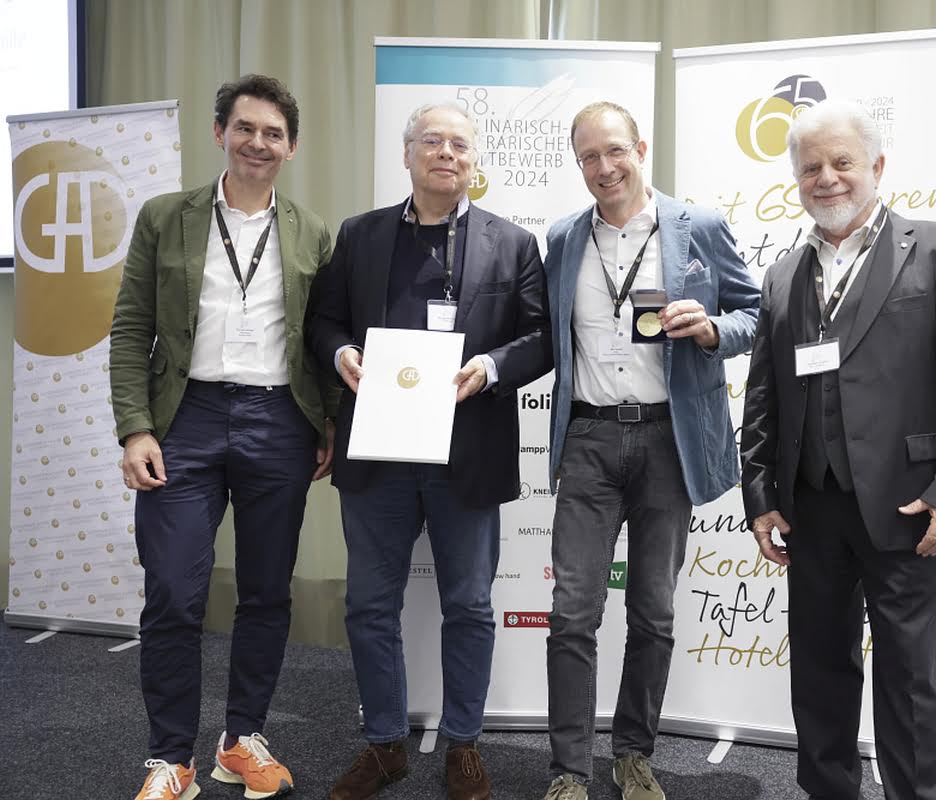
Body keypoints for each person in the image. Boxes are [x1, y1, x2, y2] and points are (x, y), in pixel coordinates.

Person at [740, 98, 936, 800]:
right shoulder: (782, 275)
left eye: (842, 162)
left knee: (907, 677)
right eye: (811, 168)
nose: (826, 178)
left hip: (909, 505)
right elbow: (763, 397)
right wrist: (760, 495)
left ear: (877, 166)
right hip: (811, 508)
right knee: (819, 671)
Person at [305, 102, 551, 800]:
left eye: (460, 144)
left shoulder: (514, 243)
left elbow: (542, 338)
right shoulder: (360, 235)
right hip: (378, 455)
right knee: (368, 605)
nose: (447, 153)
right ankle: (385, 743)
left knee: (469, 606)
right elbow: (322, 321)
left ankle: (463, 745)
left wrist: (492, 368)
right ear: (408, 153)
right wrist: (342, 353)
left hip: (467, 454)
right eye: (433, 141)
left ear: (475, 160)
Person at [110, 74, 335, 800]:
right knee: (173, 592)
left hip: (279, 422)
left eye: (273, 133)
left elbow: (321, 334)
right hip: (186, 419)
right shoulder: (164, 217)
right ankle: (170, 759)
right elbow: (130, 328)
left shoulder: (311, 230)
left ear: (291, 147)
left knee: (266, 591)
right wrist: (135, 427)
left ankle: (241, 741)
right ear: (220, 133)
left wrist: (327, 421)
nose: (258, 143)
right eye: (245, 128)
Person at [539, 101, 760, 800]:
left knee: (653, 612)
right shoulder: (563, 237)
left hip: (670, 439)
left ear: (639, 148)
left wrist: (712, 329)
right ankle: (569, 770)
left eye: (614, 151)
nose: (604, 167)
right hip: (589, 438)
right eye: (588, 157)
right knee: (572, 612)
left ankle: (633, 756)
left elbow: (758, 314)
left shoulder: (700, 227)